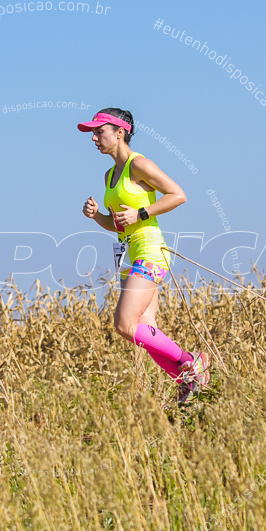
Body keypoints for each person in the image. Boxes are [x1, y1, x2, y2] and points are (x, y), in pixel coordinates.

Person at [78, 108, 209, 403]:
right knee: (146, 334)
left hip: (150, 251)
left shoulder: (139, 165)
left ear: (119, 132)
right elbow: (119, 223)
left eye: (99, 131)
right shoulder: (110, 175)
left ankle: (191, 362)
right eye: (93, 133)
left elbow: (177, 194)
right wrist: (97, 216)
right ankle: (188, 382)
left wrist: (141, 212)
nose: (95, 138)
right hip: (128, 255)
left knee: (124, 324)